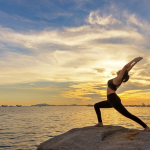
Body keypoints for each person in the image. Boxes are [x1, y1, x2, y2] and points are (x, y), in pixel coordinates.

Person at [93, 57, 150, 132]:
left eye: (121, 71)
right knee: (96, 105)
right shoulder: (118, 78)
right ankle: (100, 123)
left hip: (113, 99)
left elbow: (125, 67)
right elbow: (127, 69)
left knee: (128, 114)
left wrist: (133, 59)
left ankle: (146, 127)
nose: (120, 70)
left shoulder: (118, 79)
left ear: (121, 74)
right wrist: (135, 62)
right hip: (110, 100)